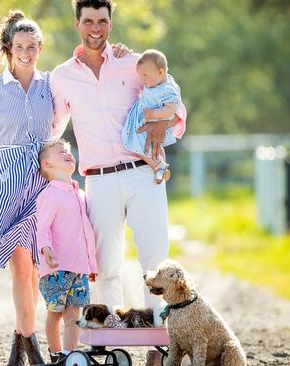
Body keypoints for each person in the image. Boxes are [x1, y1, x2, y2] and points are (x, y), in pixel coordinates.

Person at [0, 9, 129, 365]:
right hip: (7, 183)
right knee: (20, 263)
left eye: (33, 46)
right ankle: (29, 339)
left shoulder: (52, 84)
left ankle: (22, 340)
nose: (26, 52)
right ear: (8, 47)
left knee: (36, 267)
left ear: (40, 47)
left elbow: (84, 86)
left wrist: (119, 58)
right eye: (20, 45)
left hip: (45, 184)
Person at [50, 0, 187, 311]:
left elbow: (175, 103)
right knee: (106, 264)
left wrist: (164, 122)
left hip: (143, 172)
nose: (95, 28)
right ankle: (110, 330)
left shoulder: (135, 64)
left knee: (155, 260)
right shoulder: (62, 76)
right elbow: (53, 128)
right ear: (77, 24)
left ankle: (158, 341)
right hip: (99, 181)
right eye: (88, 21)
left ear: (110, 24)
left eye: (101, 21)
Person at [35, 139, 97, 363]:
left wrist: (91, 265)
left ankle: (69, 356)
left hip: (78, 267)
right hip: (56, 268)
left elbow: (86, 233)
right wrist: (45, 248)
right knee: (56, 313)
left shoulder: (79, 194)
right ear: (47, 164)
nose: (68, 154)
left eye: (69, 151)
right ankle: (56, 355)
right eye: (61, 152)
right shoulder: (50, 194)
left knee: (74, 315)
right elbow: (42, 226)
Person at [122, 49, 182, 184]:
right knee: (155, 147)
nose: (142, 80)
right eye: (140, 76)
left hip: (152, 123)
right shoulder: (156, 83)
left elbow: (171, 109)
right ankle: (161, 167)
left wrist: (154, 114)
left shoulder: (168, 89)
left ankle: (159, 166)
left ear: (161, 72)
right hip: (146, 122)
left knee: (136, 147)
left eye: (145, 75)